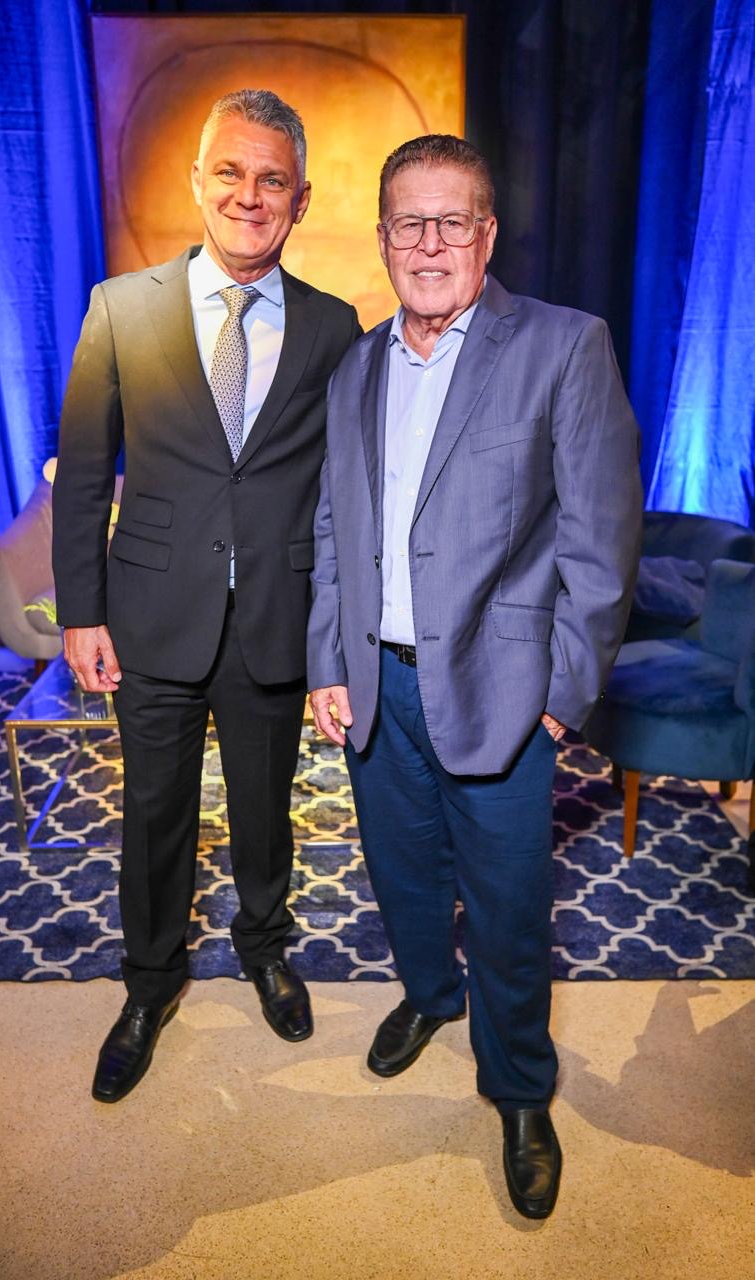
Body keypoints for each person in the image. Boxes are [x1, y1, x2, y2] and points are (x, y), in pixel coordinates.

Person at [308, 134, 642, 1219]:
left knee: (507, 907)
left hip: (505, 692)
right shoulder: (357, 367)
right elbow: (333, 529)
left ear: (487, 234)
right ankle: (428, 994)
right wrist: (327, 660)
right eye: (409, 222)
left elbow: (602, 536)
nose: (430, 243)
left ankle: (520, 1087)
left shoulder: (563, 344)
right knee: (402, 878)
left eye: (453, 220)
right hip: (377, 685)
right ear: (383, 238)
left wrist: (564, 691)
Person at [53, 89, 359, 1104]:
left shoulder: (334, 327)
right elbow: (84, 472)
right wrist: (82, 611)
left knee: (268, 814)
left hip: (275, 616)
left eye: (273, 179)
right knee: (153, 816)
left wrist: (341, 633)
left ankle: (266, 948)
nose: (249, 194)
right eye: (230, 170)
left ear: (300, 199)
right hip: (151, 617)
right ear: (197, 180)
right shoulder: (120, 306)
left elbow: (344, 490)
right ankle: (149, 985)